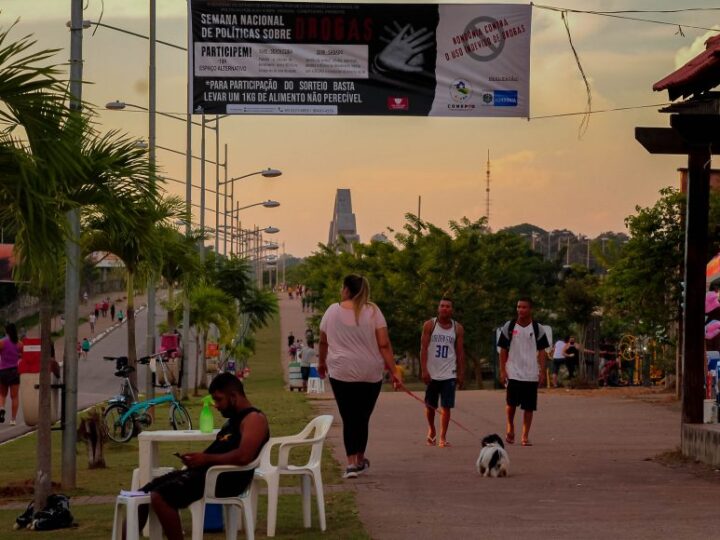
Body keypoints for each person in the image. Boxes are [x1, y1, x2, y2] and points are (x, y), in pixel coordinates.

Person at [137, 373, 269, 540]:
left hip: (226, 479)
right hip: (205, 474)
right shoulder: (231, 421)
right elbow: (219, 451)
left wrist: (205, 459)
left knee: (160, 497)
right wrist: (196, 460)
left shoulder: (254, 419)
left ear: (234, 396)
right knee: (141, 496)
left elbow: (244, 456)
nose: (216, 405)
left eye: (219, 399)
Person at [318, 274, 401, 479]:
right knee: (362, 417)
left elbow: (323, 341)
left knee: (349, 417)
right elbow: (383, 343)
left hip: (341, 371)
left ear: (346, 290)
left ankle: (351, 463)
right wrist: (394, 371)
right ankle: (361, 459)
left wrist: (321, 363)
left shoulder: (332, 311)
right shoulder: (373, 311)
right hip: (370, 372)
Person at [498, 297, 549, 447]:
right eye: (519, 307)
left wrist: (541, 371)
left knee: (528, 407)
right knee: (511, 404)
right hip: (513, 371)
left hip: (531, 373)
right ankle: (510, 426)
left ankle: (525, 436)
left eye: (524, 307)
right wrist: (502, 370)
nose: (520, 310)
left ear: (530, 309)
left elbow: (542, 351)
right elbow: (502, 350)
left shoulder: (537, 328)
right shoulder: (510, 326)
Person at [420, 297, 465, 448]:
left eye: (448, 306)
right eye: (442, 306)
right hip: (432, 373)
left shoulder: (457, 328)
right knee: (430, 406)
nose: (444, 308)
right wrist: (424, 369)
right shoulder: (429, 325)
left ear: (452, 310)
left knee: (446, 406)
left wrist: (461, 372)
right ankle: (432, 429)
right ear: (438, 308)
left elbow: (460, 353)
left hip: (449, 373)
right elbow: (423, 349)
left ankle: (442, 436)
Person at [0, 323, 23, 425]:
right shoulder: (19, 344)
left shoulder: (2, 342)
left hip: (3, 371)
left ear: (7, 331)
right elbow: (23, 356)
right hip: (15, 371)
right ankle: (13, 419)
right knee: (14, 396)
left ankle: (1, 408)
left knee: (2, 394)